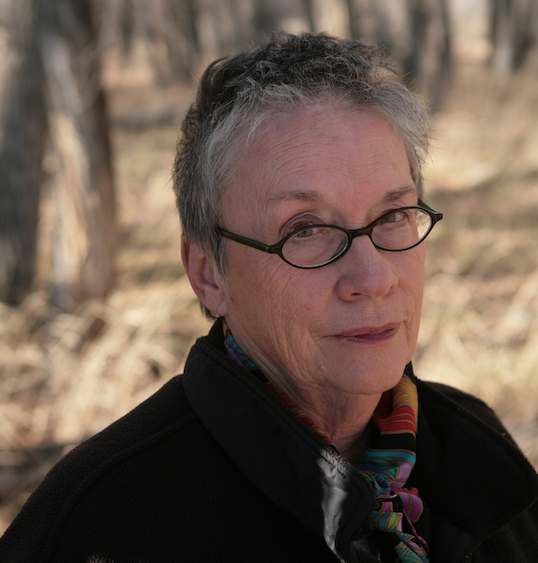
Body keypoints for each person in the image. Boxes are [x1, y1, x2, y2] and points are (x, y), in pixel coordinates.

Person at [1, 31, 537, 563]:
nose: (373, 278)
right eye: (305, 229)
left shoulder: (479, 455)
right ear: (209, 273)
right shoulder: (102, 527)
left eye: (393, 215)